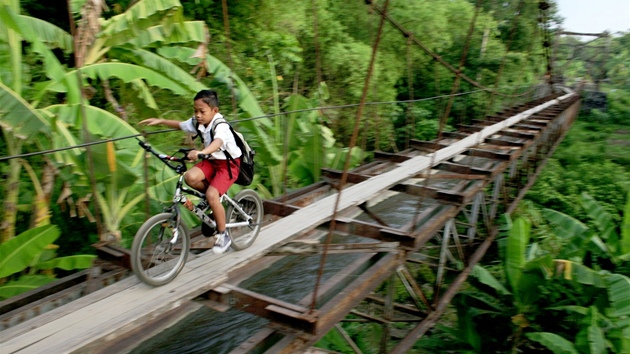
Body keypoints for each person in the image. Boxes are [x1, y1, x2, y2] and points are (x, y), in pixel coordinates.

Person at [139, 89, 241, 255]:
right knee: (190, 177)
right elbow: (180, 125)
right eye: (195, 111)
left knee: (212, 195)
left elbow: (218, 142)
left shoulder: (220, 126)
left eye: (202, 111)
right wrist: (160, 121)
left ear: (215, 111)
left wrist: (201, 153)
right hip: (211, 161)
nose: (198, 115)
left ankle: (223, 235)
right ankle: (211, 197)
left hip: (228, 165)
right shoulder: (197, 123)